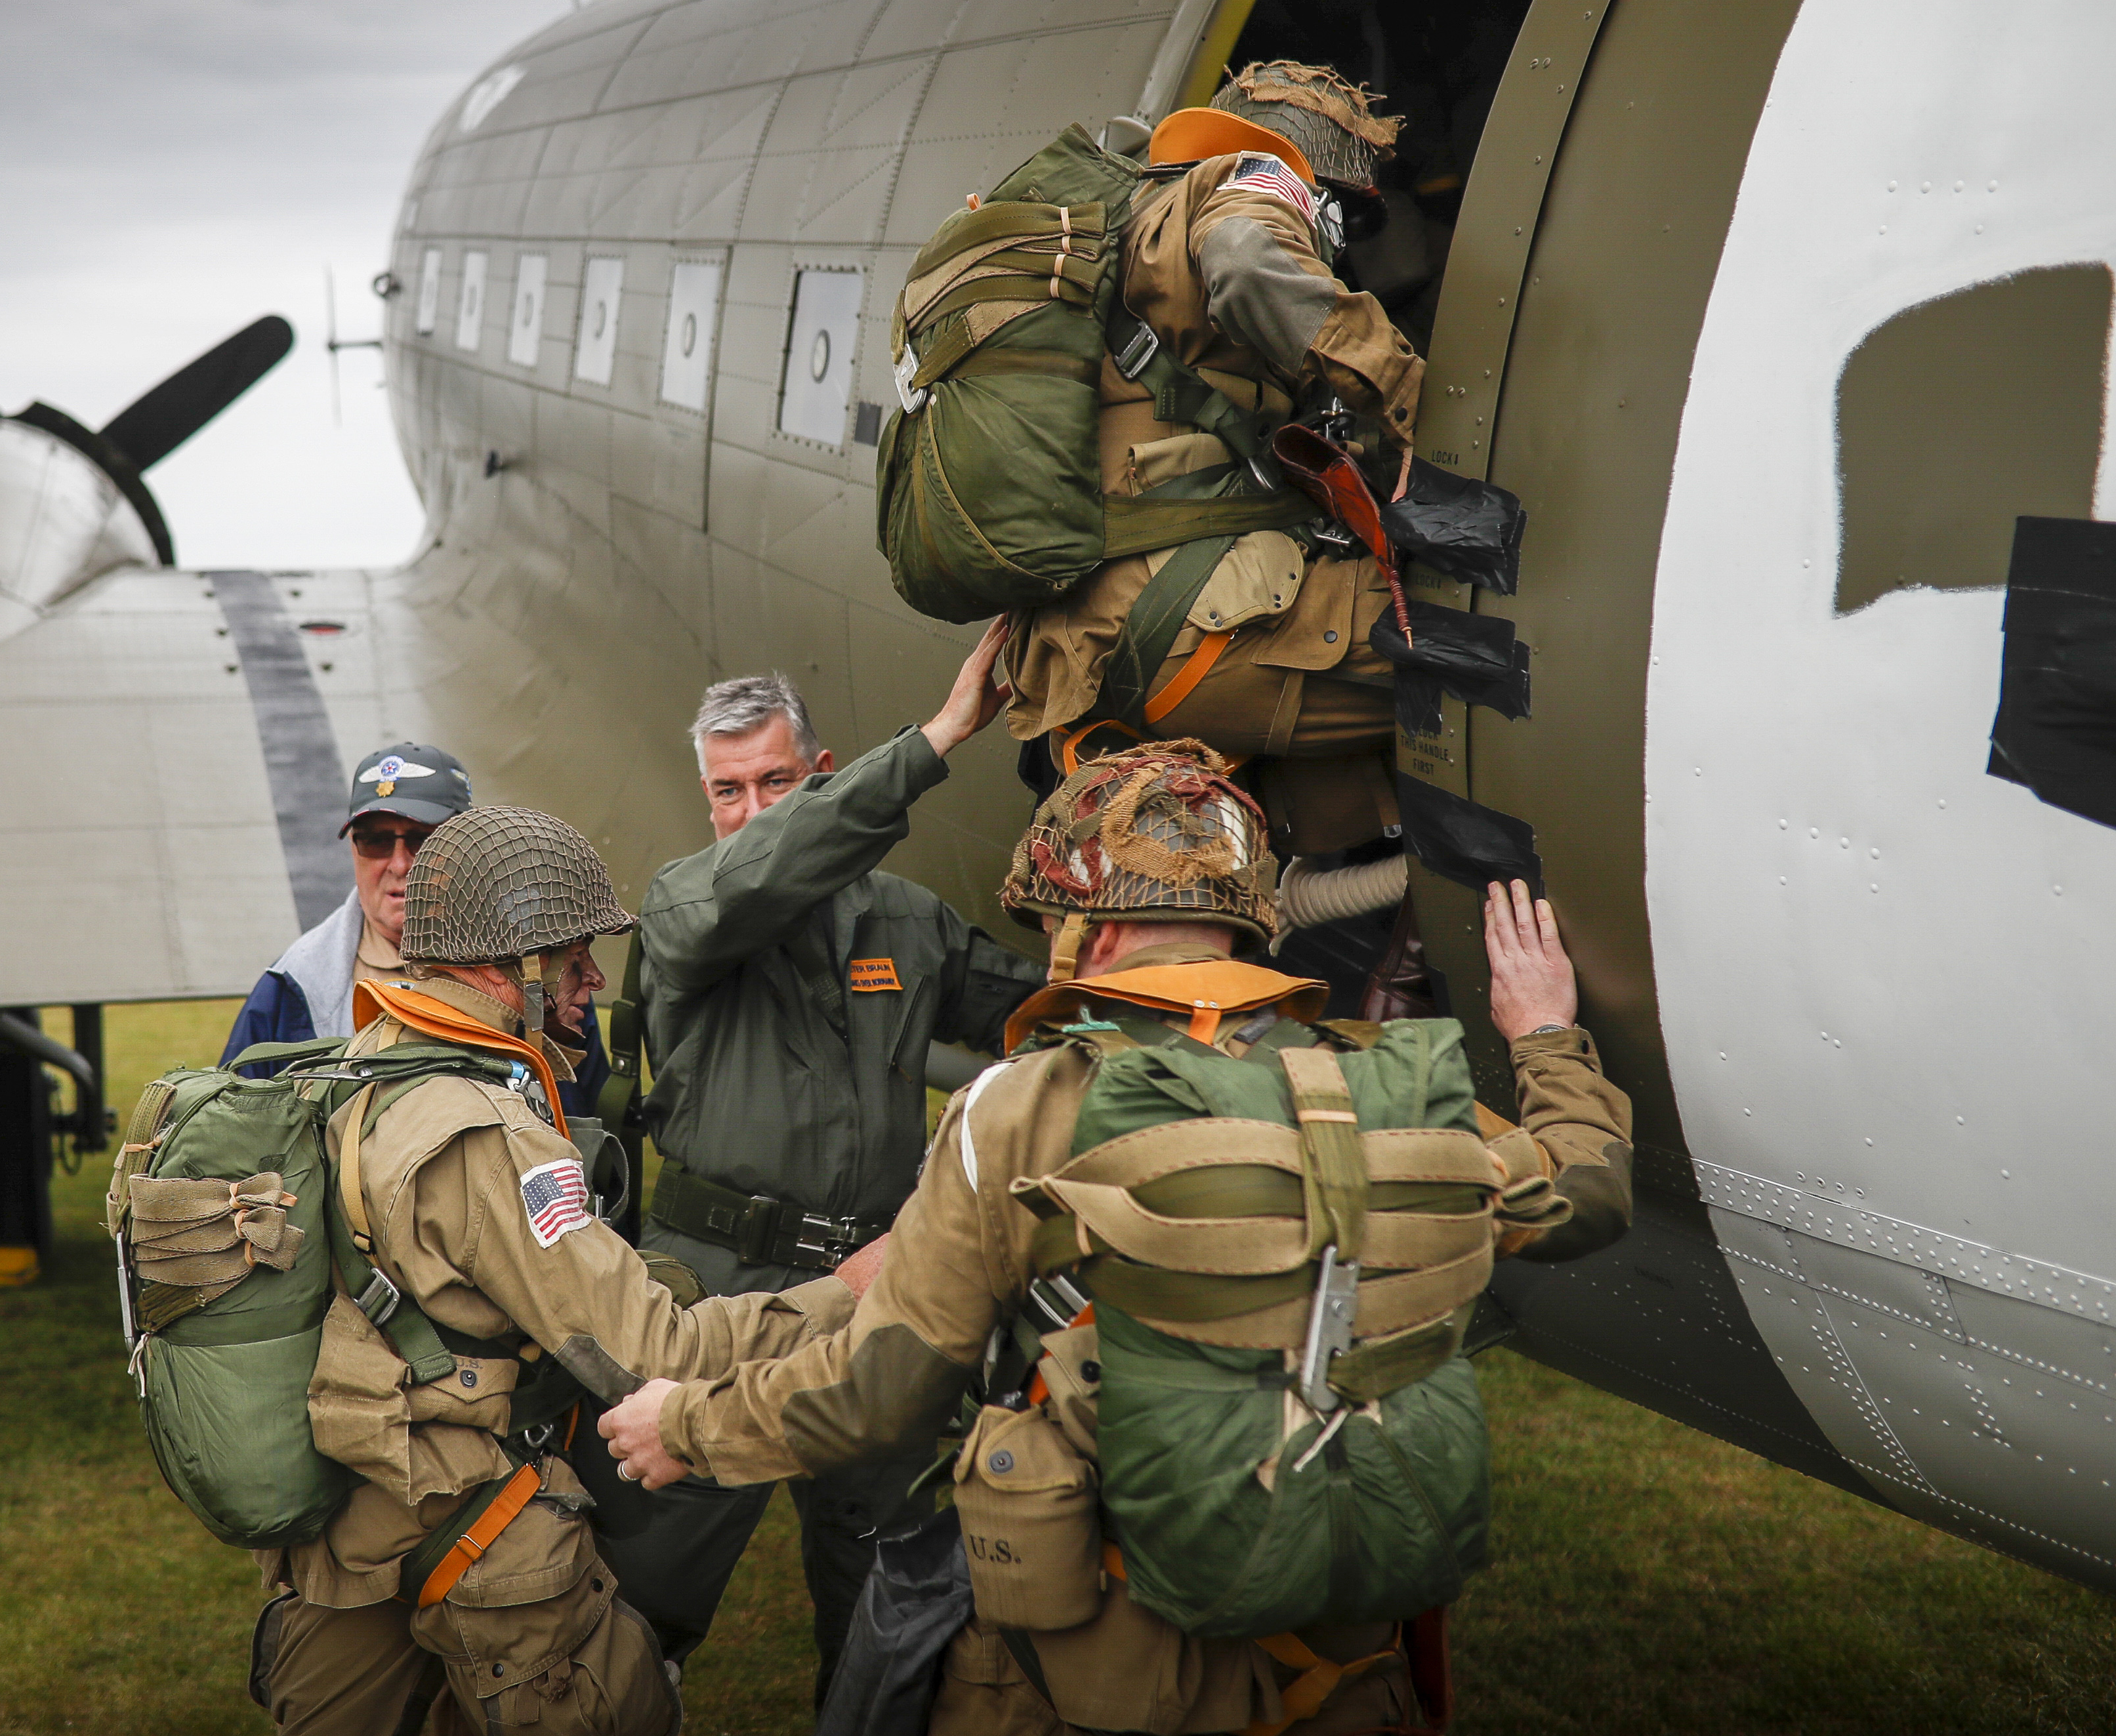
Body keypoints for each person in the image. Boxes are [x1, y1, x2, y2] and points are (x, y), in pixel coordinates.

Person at [598, 741, 1635, 1735]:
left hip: (1092, 1673)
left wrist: (688, 1428)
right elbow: (1586, 1190)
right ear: (1246, 917)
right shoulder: (1381, 1087)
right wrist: (1545, 1036)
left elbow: (884, 1387)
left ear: (1083, 930)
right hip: (1333, 1669)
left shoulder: (1021, 1104)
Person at [248, 803, 875, 1736]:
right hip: (474, 1534)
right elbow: (655, 1351)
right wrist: (855, 1288)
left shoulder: (362, 1065)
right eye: (576, 955)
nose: (594, 979)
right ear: (517, 966)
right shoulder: (488, 1133)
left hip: (345, 1535)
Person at [610, 620, 1046, 1697]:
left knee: (884, 1596)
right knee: (637, 1602)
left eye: (775, 782)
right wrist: (939, 737)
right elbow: (762, 876)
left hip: (874, 1293)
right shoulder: (683, 909)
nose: (752, 813)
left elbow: (1040, 1016)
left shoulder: (905, 922)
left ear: (822, 775)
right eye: (727, 792)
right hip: (713, 1295)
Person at [1007, 60, 1426, 854]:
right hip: (1183, 625)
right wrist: (1412, 399)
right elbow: (1246, 255)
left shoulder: (1127, 225)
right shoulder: (1255, 181)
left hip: (1082, 652)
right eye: (1350, 218)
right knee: (1481, 645)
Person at [222, 741, 612, 1110]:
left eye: (424, 839)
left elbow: (588, 1123)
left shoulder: (536, 964)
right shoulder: (294, 985)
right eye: (375, 840)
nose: (400, 864)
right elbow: (236, 1125)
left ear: (472, 848)